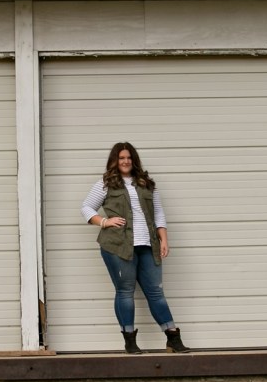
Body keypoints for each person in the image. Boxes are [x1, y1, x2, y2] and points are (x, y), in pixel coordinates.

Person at [80, 141, 190, 354]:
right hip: (118, 246)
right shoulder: (105, 184)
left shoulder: (146, 183)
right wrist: (104, 222)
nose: (126, 161)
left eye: (129, 157)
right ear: (115, 160)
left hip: (148, 244)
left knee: (156, 292)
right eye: (121, 158)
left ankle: (173, 339)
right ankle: (130, 341)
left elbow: (158, 213)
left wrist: (164, 240)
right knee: (125, 292)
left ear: (134, 160)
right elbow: (86, 207)